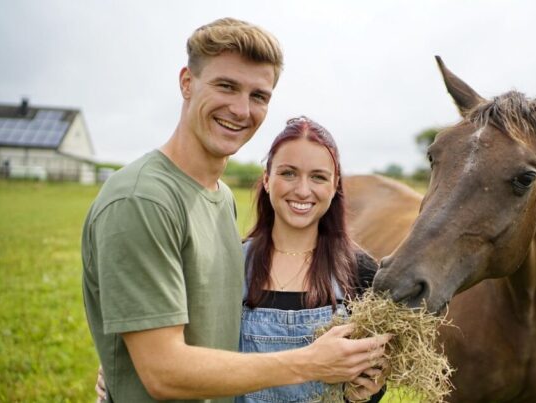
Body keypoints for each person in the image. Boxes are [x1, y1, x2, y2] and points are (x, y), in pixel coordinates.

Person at [82, 17, 389, 403]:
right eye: (226, 86)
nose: (241, 110)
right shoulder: (141, 200)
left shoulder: (219, 197)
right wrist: (310, 363)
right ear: (187, 82)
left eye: (258, 96)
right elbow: (162, 372)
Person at [238, 116, 387, 402]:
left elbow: (374, 380)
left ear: (334, 185)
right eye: (288, 173)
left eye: (318, 177)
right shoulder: (233, 264)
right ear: (267, 179)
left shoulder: (361, 271)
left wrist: (365, 392)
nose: (303, 190)